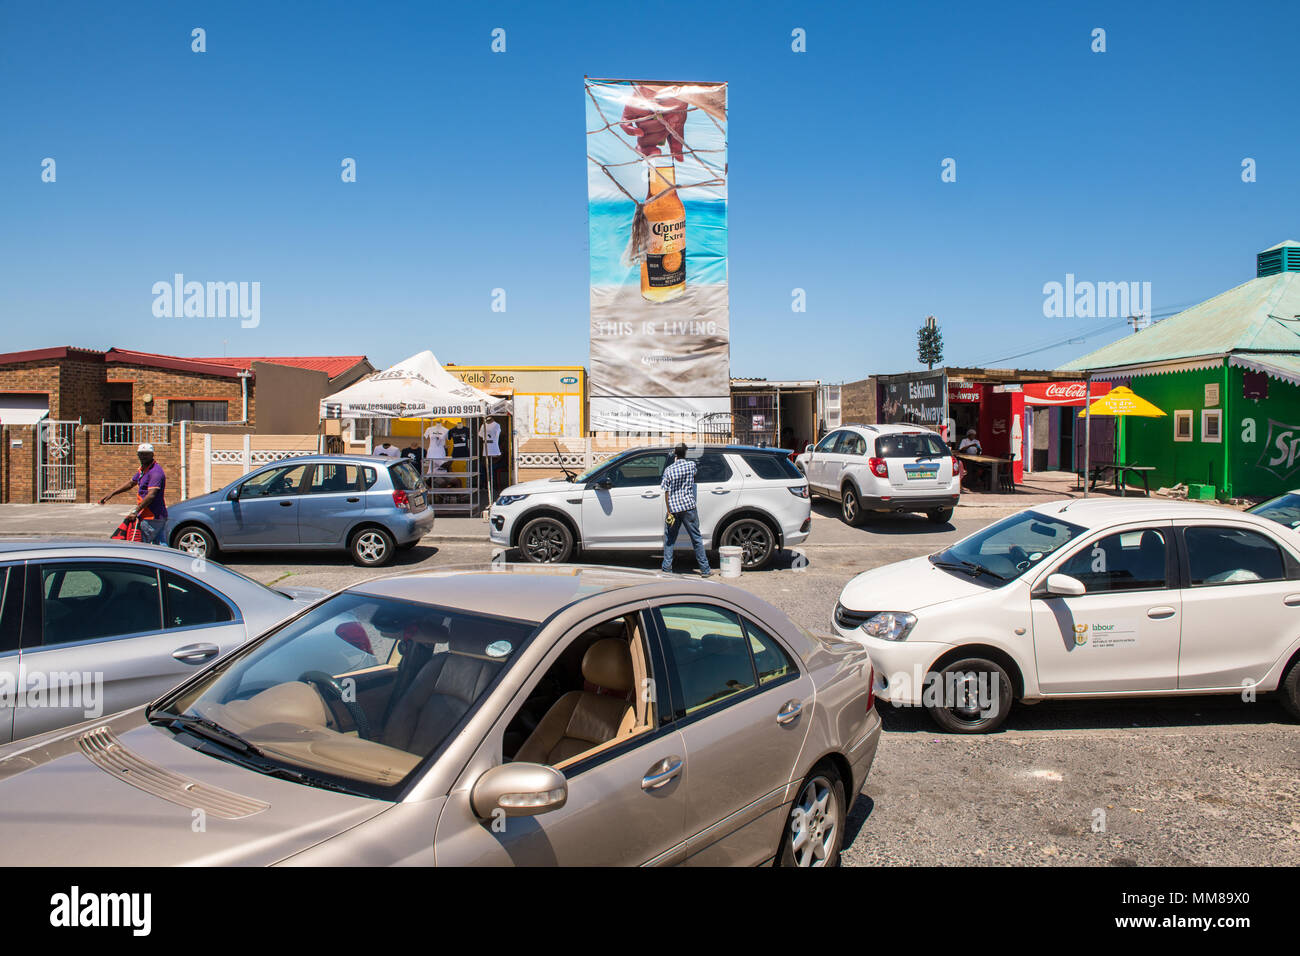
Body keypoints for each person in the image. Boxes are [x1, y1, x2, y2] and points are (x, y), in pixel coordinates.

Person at [100, 442, 168, 545]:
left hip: (151, 516)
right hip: (153, 516)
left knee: (141, 546)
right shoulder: (143, 470)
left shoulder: (155, 472)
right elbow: (131, 483)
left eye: (146, 454)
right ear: (138, 455)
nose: (143, 456)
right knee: (161, 545)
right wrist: (112, 494)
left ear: (152, 454)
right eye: (141, 454)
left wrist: (136, 511)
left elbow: (151, 495)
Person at [660, 443, 711, 577]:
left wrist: (669, 510)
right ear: (686, 453)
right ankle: (705, 570)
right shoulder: (691, 466)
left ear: (675, 454)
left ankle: (667, 569)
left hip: (674, 509)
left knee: (670, 539)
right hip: (689, 506)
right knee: (696, 538)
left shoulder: (669, 470)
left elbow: (666, 491)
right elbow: (694, 476)